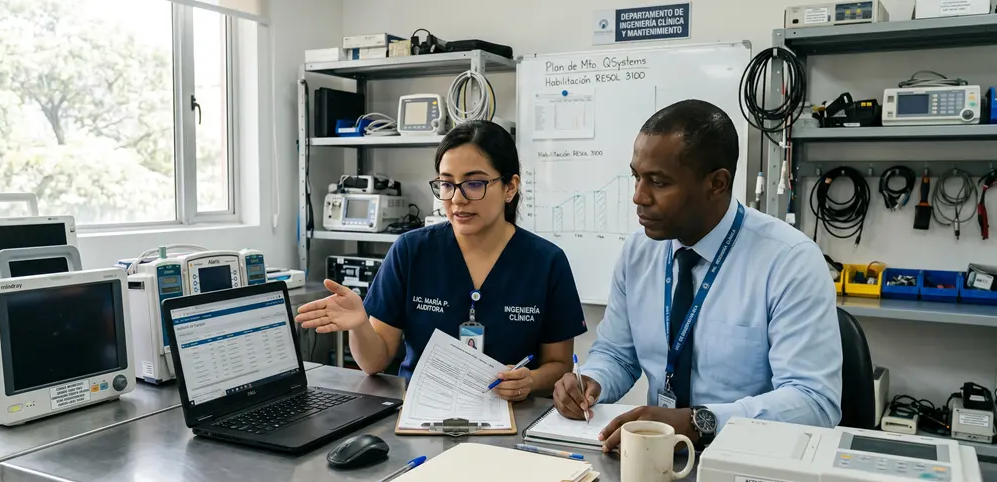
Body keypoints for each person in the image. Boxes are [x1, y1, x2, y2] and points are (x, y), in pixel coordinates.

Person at [553, 99, 842, 451]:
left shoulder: (789, 262)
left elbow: (814, 403)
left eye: (658, 182)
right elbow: (617, 354)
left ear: (717, 184)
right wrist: (590, 380)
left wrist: (699, 423)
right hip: (656, 452)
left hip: (749, 461)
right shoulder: (638, 252)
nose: (638, 197)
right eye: (636, 177)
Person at [296, 120, 587, 401]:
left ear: (510, 187)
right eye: (447, 185)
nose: (457, 199)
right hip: (422, 417)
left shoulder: (546, 262)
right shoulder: (411, 251)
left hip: (511, 416)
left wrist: (530, 381)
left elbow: (559, 365)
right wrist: (359, 325)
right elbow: (373, 362)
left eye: (474, 184)